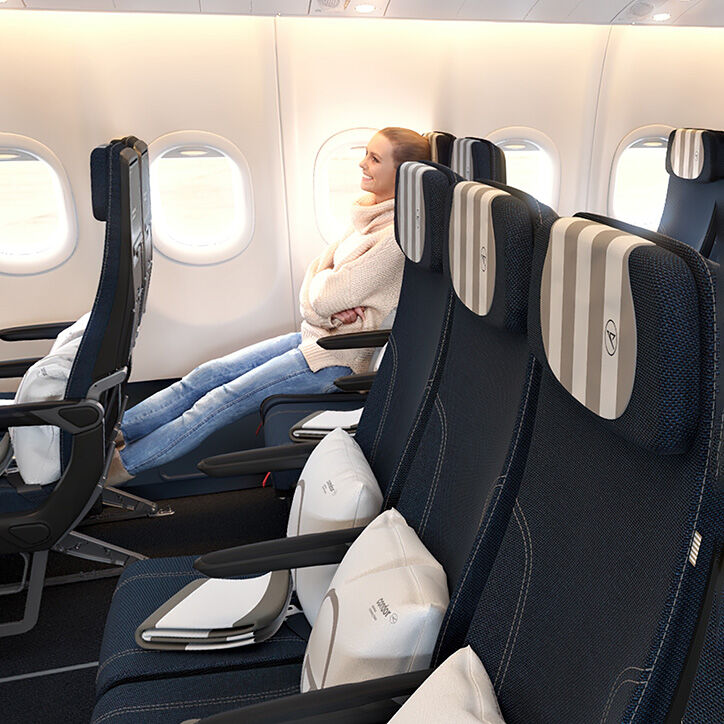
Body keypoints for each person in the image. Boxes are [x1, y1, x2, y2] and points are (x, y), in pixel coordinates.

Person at [108, 127, 431, 484]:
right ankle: (112, 432)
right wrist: (321, 301)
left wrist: (320, 299)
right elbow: (315, 276)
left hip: (335, 358)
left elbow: (321, 295)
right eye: (366, 154)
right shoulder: (369, 217)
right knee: (206, 375)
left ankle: (120, 469)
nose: (362, 163)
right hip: (315, 337)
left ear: (403, 173)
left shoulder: (394, 238)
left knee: (217, 402)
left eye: (374, 158)